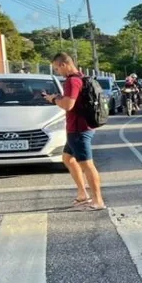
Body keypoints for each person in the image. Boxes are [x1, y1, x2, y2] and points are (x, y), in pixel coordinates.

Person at [42, 52, 105, 211]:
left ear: (63, 64)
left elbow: (68, 105)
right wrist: (58, 97)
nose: (58, 72)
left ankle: (98, 200)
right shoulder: (81, 77)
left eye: (57, 69)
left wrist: (54, 99)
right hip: (79, 128)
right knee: (67, 158)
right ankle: (83, 193)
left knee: (87, 165)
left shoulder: (72, 81)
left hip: (79, 129)